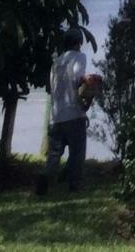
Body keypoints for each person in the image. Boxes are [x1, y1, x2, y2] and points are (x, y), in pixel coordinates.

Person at [36, 26, 88, 195]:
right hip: (74, 113)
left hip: (56, 115)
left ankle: (44, 178)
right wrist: (86, 101)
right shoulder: (79, 57)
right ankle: (74, 184)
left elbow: (53, 88)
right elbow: (79, 81)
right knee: (77, 152)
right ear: (78, 42)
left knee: (54, 154)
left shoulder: (56, 63)